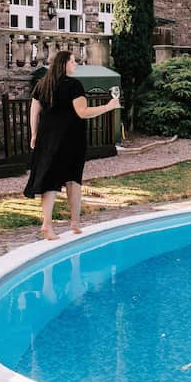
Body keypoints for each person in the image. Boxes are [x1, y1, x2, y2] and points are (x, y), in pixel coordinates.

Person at [23, 51, 120, 240]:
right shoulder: (74, 85)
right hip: (70, 138)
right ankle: (74, 222)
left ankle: (47, 224)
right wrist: (109, 106)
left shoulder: (42, 84)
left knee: (49, 179)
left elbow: (34, 111)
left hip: (47, 138)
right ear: (64, 64)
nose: (76, 64)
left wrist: (34, 135)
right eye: (73, 61)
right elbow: (83, 112)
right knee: (73, 179)